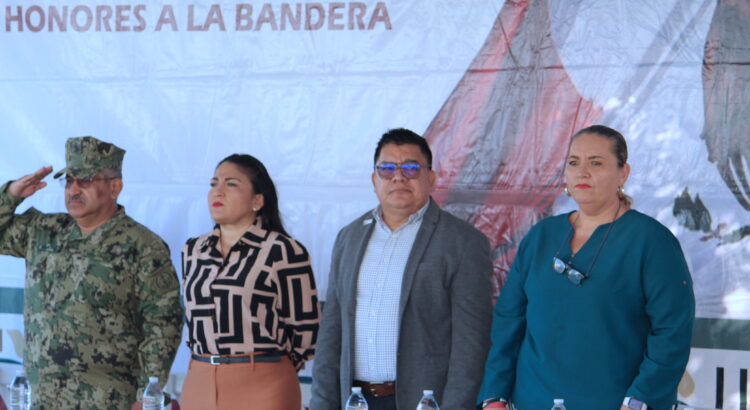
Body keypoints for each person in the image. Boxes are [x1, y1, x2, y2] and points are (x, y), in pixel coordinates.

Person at [477, 125, 695, 410]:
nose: (582, 172)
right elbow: (509, 322)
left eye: (596, 163)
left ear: (623, 173)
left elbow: (671, 333)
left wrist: (639, 402)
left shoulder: (651, 240)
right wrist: (494, 396)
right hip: (533, 401)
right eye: (573, 162)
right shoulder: (541, 236)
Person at [310, 128, 494, 410]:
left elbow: (471, 344)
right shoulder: (349, 237)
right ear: (374, 180)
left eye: (411, 168)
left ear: (431, 178)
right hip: (356, 401)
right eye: (386, 169)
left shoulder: (462, 241)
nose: (398, 177)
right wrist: (322, 403)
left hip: (424, 403)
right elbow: (331, 332)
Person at [0, 136, 183, 409]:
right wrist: (11, 195)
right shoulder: (43, 230)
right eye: (69, 181)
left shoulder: (142, 245)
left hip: (109, 400)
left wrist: (146, 396)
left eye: (85, 181)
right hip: (44, 399)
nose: (73, 190)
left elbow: (163, 324)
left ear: (114, 187)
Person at [180, 154, 320, 410]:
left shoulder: (282, 250)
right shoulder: (193, 250)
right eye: (213, 184)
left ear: (257, 200)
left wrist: (270, 366)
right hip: (200, 378)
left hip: (264, 383)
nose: (217, 191)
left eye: (231, 184)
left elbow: (305, 328)